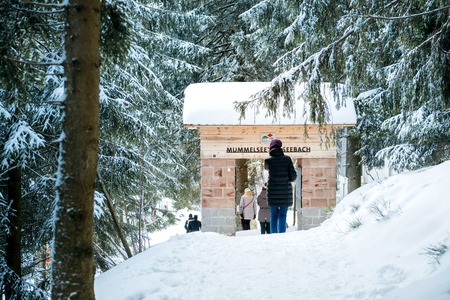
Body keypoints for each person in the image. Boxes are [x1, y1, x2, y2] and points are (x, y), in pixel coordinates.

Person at [264, 139, 297, 233]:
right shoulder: (287, 159)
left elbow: (266, 169)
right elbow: (293, 177)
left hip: (272, 193)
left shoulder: (268, 161)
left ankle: (273, 236)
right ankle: (281, 236)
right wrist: (286, 179)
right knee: (283, 215)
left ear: (271, 148)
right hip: (285, 193)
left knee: (273, 215)